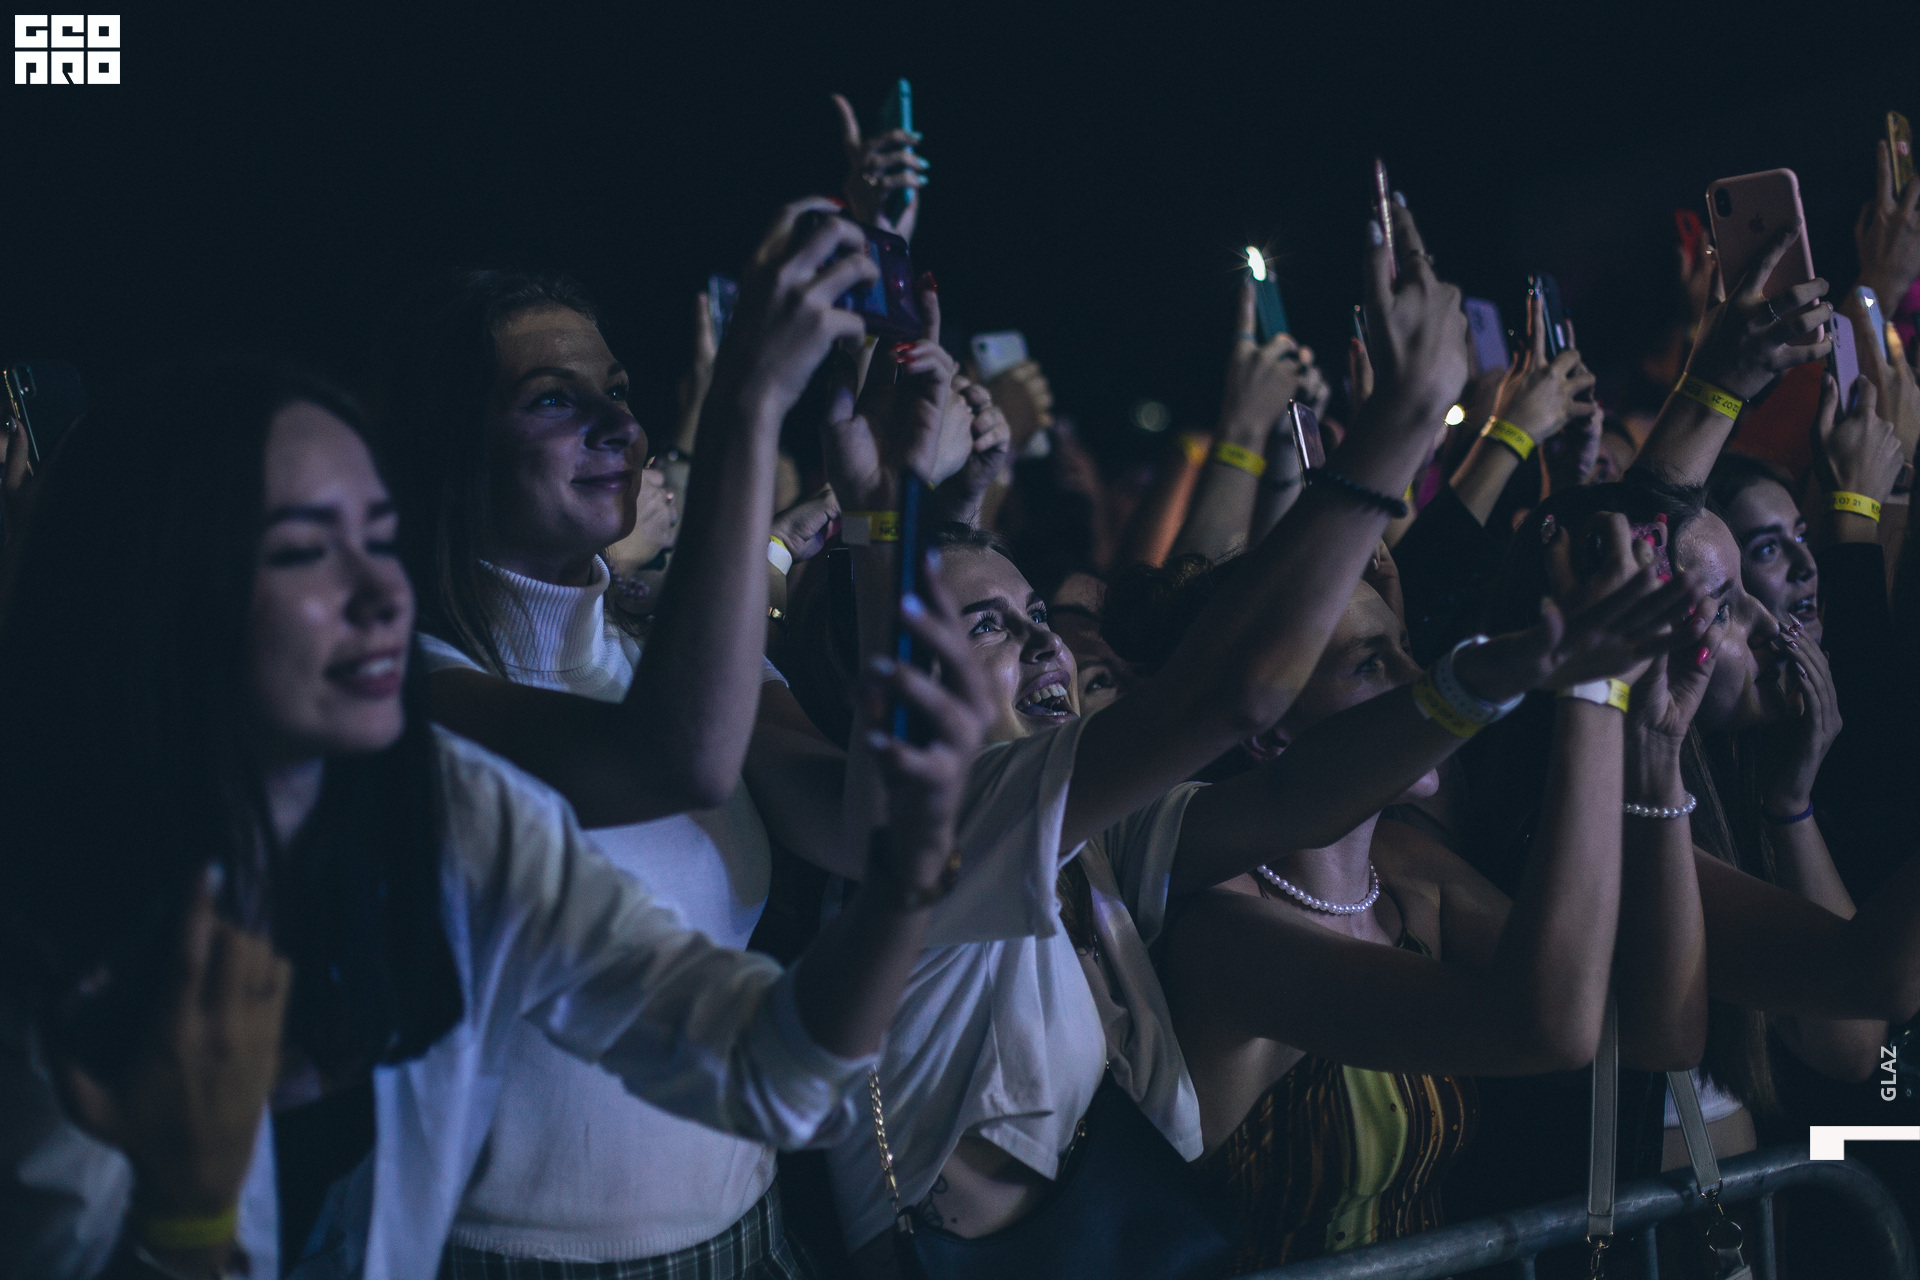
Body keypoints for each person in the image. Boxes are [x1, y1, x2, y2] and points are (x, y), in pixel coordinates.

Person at [0, 359, 991, 1280]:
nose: (378, 593)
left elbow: (774, 1070)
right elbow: (672, 753)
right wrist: (186, 1217)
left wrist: (903, 880)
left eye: (378, 539)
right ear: (164, 591)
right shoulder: (66, 911)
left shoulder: (460, 802)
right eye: (305, 550)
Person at [1094, 520, 1707, 1268]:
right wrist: (1591, 693)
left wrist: (1658, 754)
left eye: (1406, 646)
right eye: (1368, 664)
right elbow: (1547, 1029)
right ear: (1266, 729)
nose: (1419, 680)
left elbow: (1654, 1034)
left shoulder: (1409, 871)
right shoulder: (1228, 935)